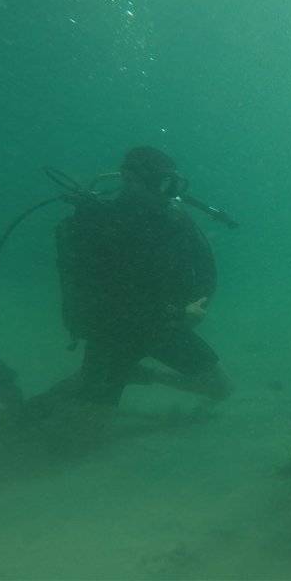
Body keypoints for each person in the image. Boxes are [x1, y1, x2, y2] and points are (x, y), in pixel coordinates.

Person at [26, 146, 233, 421]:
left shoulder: (171, 217)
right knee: (85, 434)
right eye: (154, 180)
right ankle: (32, 410)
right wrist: (179, 313)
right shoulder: (100, 223)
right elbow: (110, 300)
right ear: (127, 178)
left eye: (166, 181)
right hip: (114, 336)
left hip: (163, 327)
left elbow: (205, 268)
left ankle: (142, 374)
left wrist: (194, 307)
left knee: (221, 388)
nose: (162, 190)